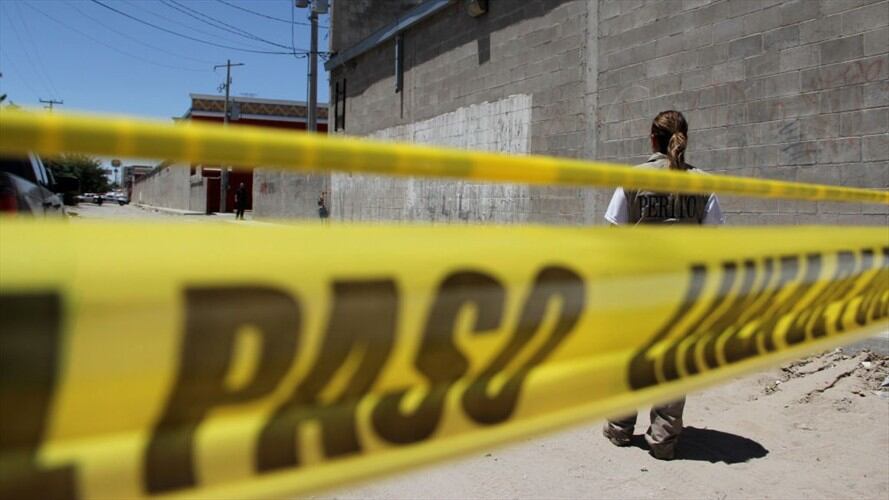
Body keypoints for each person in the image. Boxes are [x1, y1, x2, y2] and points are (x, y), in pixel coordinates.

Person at [602, 110, 724, 460]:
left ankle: (620, 429)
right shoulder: (702, 181)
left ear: (652, 138)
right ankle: (663, 440)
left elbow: (615, 233)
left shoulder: (633, 177)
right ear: (684, 137)